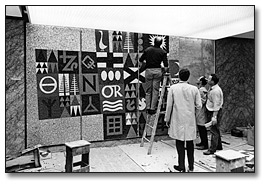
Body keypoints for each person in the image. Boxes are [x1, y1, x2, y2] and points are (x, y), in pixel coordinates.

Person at [165, 69, 202, 172]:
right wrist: (193, 113)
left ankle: (181, 166)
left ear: (179, 77)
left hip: (178, 119)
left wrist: (167, 119)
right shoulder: (194, 89)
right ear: (188, 77)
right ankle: (191, 167)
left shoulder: (173, 88)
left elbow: (169, 106)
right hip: (190, 119)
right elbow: (199, 105)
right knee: (190, 143)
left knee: (179, 142)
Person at [139, 37, 168, 115]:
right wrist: (162, 71)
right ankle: (152, 109)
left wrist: (146, 63)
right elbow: (166, 66)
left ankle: (148, 107)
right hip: (158, 71)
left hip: (148, 71)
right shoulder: (163, 52)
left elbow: (141, 60)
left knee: (148, 91)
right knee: (155, 91)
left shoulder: (148, 50)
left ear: (154, 42)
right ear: (161, 43)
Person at [203, 74, 224, 155]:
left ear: (212, 81)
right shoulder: (212, 89)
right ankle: (219, 146)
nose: (207, 80)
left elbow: (216, 104)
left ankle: (212, 149)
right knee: (216, 129)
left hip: (214, 111)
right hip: (211, 110)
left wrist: (214, 116)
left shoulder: (215, 91)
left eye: (209, 79)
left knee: (213, 130)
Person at [195, 76, 209, 150]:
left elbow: (202, 101)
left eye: (199, 79)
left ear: (201, 82)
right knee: (200, 128)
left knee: (202, 128)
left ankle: (205, 144)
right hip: (200, 111)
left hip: (201, 111)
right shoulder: (201, 89)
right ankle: (202, 142)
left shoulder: (201, 90)